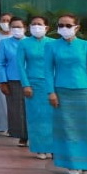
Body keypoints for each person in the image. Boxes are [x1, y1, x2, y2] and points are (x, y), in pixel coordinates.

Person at [46, 14, 87, 174]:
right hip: (62, 91)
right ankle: (72, 163)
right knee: (68, 129)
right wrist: (51, 92)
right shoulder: (51, 46)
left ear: (77, 27)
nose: (64, 28)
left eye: (68, 25)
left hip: (84, 92)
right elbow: (48, 71)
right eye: (61, 25)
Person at [17, 16, 56, 160]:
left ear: (47, 27)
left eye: (39, 24)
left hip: (51, 84)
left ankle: (53, 147)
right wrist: (26, 84)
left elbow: (57, 64)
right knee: (36, 116)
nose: (36, 27)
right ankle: (40, 148)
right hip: (33, 84)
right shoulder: (24, 43)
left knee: (52, 116)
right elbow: (20, 65)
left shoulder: (53, 43)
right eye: (33, 24)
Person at [0, 16, 28, 148]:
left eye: (19, 27)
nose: (16, 29)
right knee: (16, 109)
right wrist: (2, 81)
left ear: (25, 28)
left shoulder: (30, 42)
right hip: (13, 79)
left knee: (31, 109)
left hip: (31, 80)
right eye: (13, 27)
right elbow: (0, 63)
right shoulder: (5, 43)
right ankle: (22, 135)